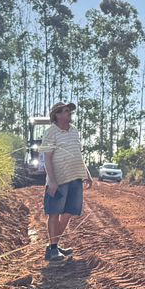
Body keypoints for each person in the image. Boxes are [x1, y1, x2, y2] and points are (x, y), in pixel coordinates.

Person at [40, 101, 87, 261]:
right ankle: (53, 249)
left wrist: (85, 172)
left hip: (76, 178)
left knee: (68, 213)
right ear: (57, 115)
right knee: (54, 212)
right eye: (66, 111)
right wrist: (52, 181)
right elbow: (47, 158)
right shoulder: (50, 132)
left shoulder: (74, 131)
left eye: (70, 111)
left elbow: (77, 153)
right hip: (58, 180)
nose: (69, 114)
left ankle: (53, 246)